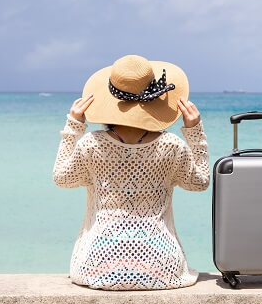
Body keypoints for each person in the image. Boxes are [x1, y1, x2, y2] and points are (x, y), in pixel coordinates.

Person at [53, 54, 210, 290]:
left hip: (98, 263)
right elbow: (200, 182)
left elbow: (62, 178)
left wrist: (73, 127)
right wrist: (194, 133)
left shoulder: (91, 144)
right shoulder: (172, 145)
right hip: (161, 265)